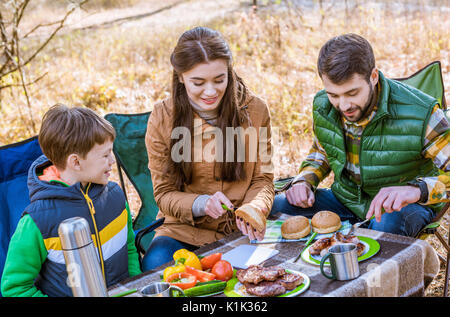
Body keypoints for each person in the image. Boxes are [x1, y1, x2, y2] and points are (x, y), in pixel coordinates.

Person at [271, 33, 449, 237]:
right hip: (345, 202)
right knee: (276, 207)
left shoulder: (424, 114)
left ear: (373, 77)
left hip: (401, 209)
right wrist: (304, 180)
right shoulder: (323, 106)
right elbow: (322, 152)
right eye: (334, 95)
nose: (343, 105)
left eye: (352, 93)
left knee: (385, 226)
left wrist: (416, 190)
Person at [142, 26, 274, 270]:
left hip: (240, 230)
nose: (211, 91)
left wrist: (254, 208)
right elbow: (163, 194)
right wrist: (200, 203)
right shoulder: (162, 118)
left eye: (219, 79)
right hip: (183, 231)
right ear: (180, 77)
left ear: (229, 72)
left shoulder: (256, 111)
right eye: (198, 82)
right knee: (157, 268)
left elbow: (263, 178)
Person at [1, 105, 142, 297]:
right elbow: (15, 288)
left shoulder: (116, 197)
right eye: (105, 154)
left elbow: (130, 249)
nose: (112, 160)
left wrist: (136, 288)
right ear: (76, 162)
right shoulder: (36, 222)